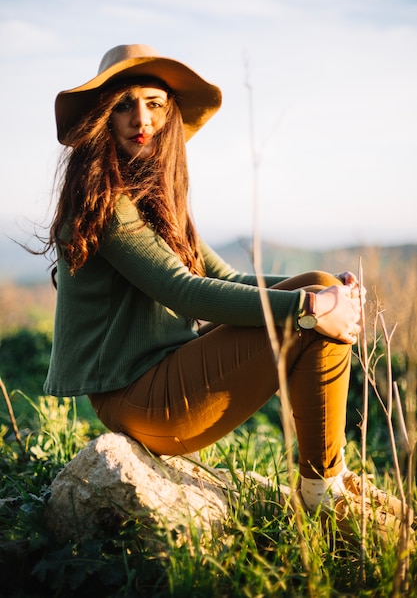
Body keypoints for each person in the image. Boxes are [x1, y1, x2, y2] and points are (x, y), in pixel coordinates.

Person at [43, 44, 404, 529]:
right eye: (124, 104)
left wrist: (328, 291)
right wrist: (309, 307)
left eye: (154, 103)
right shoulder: (106, 203)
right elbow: (184, 291)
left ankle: (323, 483)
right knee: (312, 305)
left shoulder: (155, 202)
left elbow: (226, 278)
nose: (141, 117)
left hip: (163, 379)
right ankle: (322, 489)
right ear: (104, 118)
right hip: (135, 397)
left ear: (169, 114)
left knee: (318, 287)